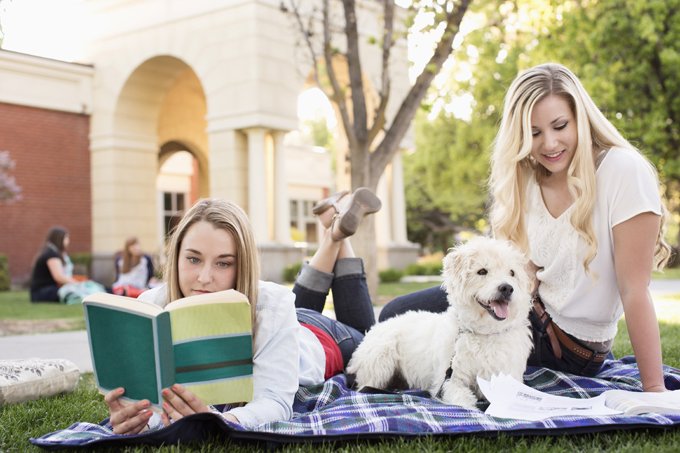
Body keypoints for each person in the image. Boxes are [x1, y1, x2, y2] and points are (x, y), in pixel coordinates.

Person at [380, 63, 672, 393]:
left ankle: (348, 345)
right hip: (525, 312)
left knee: (403, 323)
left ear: (581, 118)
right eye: (533, 133)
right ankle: (353, 351)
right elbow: (519, 274)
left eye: (560, 125)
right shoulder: (530, 180)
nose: (549, 144)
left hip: (567, 346)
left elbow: (634, 289)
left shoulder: (623, 170)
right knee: (395, 315)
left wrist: (655, 389)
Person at [104, 188, 381, 433]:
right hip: (286, 322)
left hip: (323, 338)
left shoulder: (272, 306)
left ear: (242, 267)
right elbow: (150, 406)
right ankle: (335, 230)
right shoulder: (153, 305)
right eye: (193, 259)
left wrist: (218, 422)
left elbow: (274, 403)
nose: (204, 278)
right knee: (287, 305)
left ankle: (337, 235)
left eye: (223, 263)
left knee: (370, 338)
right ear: (176, 256)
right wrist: (136, 417)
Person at [29, 226, 79, 302]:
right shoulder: (51, 254)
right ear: (59, 239)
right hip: (43, 293)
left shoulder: (50, 252)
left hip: (45, 291)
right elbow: (58, 277)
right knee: (76, 292)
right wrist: (77, 283)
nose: (68, 241)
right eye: (66, 238)